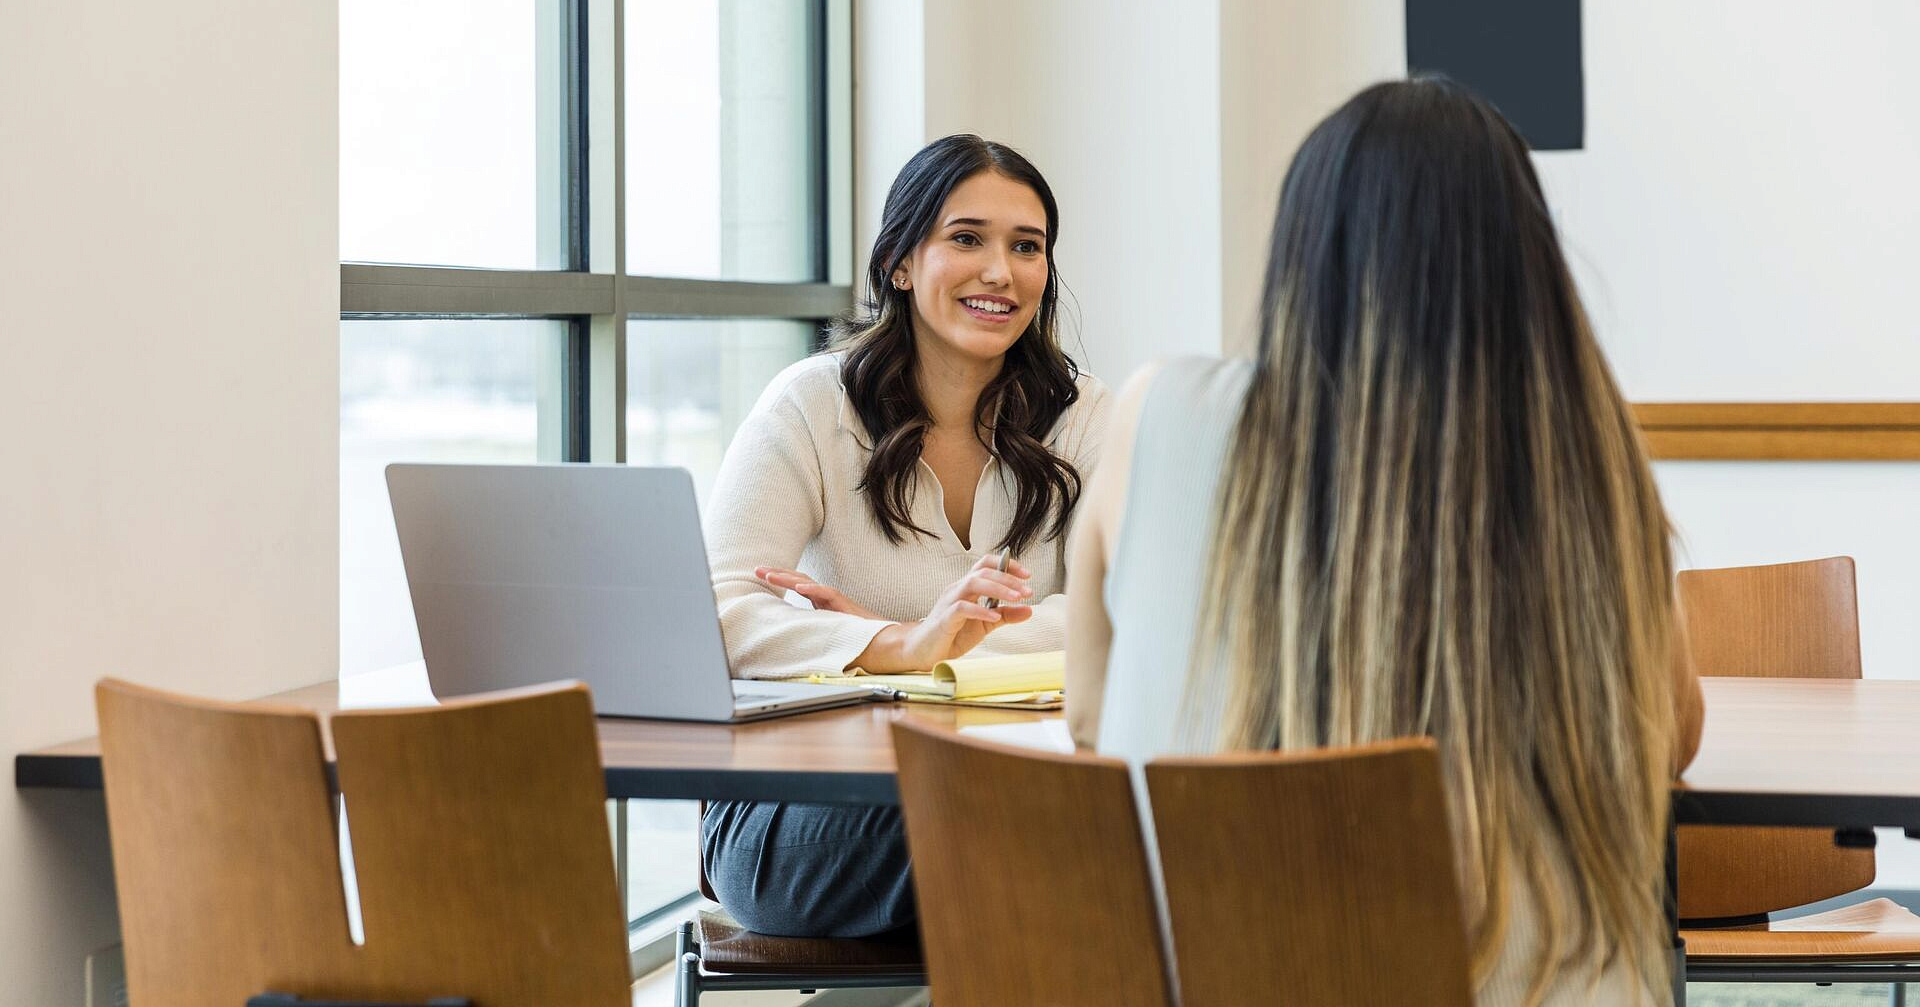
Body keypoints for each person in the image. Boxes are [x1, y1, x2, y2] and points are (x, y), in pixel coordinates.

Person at [1066, 78, 1705, 1005]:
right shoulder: (1583, 457)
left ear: (1303, 251)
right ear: (1525, 261)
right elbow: (1669, 737)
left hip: (1214, 976)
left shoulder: (1159, 413)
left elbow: (1089, 717)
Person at [700, 134, 1110, 937]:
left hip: (1021, 784)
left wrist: (913, 648)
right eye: (967, 239)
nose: (1001, 271)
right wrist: (894, 643)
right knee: (1063, 845)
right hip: (803, 807)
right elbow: (713, 611)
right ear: (899, 262)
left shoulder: (1087, 415)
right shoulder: (812, 405)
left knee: (1072, 833)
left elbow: (1123, 618)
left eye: (1027, 248)